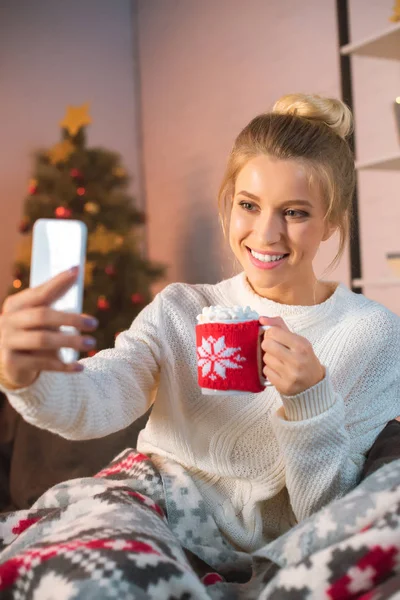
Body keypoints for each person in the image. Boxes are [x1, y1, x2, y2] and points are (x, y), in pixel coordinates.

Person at [0, 93, 399, 597]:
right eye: (249, 206)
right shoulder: (181, 309)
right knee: (83, 580)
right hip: (153, 502)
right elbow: (99, 398)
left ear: (334, 220)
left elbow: (330, 515)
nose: (266, 233)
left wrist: (309, 401)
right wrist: (26, 377)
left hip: (270, 551)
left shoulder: (371, 333)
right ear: (229, 203)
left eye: (295, 212)